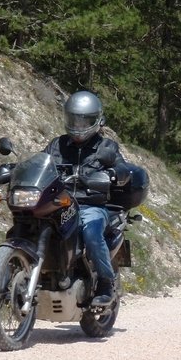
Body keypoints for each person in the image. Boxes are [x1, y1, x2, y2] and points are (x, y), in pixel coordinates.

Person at [43, 90, 133, 307]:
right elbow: (41, 163)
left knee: (91, 232)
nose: (78, 126)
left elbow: (123, 170)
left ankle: (105, 282)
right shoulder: (57, 145)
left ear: (97, 121)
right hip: (60, 204)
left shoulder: (106, 147)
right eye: (74, 119)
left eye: (84, 121)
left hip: (90, 204)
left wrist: (112, 174)